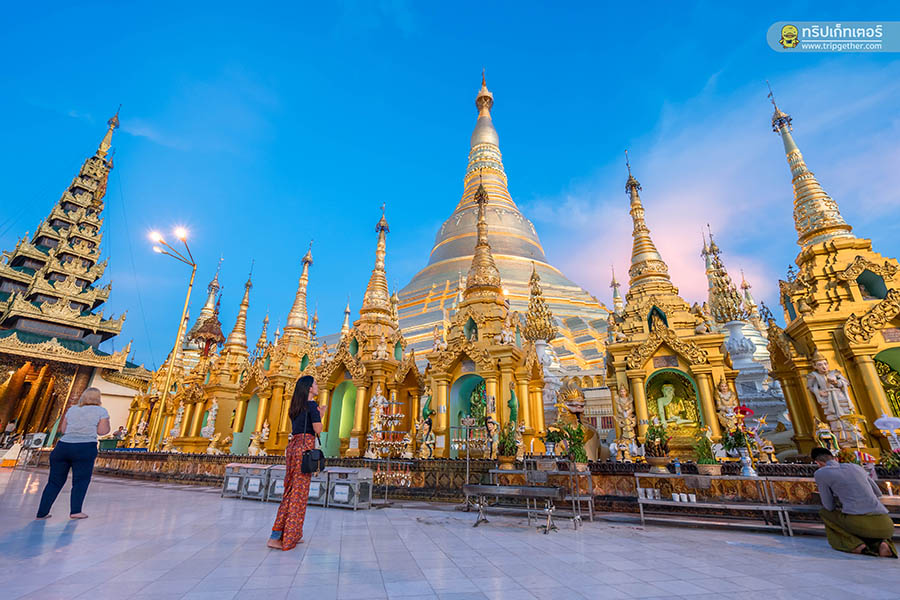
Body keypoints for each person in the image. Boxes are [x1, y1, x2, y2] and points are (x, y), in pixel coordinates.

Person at [35, 388, 110, 520]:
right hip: (85, 447)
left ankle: (42, 512)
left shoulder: (72, 409)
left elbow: (63, 430)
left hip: (63, 447)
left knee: (54, 482)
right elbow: (102, 431)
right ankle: (75, 511)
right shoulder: (101, 411)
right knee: (81, 481)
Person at [268, 375, 322, 550]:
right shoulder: (312, 406)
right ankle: (277, 536)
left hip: (293, 449)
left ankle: (293, 533)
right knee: (297, 494)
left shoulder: (296, 406)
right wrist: (320, 414)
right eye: (315, 384)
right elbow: (318, 429)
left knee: (291, 490)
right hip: (304, 451)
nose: (318, 386)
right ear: (309, 388)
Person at [812, 447, 896, 558]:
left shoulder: (821, 473)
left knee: (825, 513)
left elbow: (829, 506)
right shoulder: (856, 467)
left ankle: (855, 545)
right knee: (866, 528)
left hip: (859, 522)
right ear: (835, 458)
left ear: (817, 463)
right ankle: (883, 544)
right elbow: (878, 493)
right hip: (887, 524)